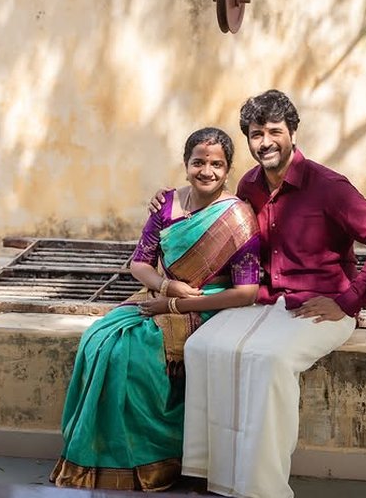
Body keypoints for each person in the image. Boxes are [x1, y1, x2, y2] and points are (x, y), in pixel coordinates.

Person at [150, 89, 366, 498]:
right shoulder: (250, 183)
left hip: (322, 307)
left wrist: (349, 301)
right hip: (265, 301)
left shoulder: (329, 187)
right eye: (255, 133)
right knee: (202, 346)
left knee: (268, 361)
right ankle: (206, 472)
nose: (265, 141)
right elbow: (209, 207)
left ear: (292, 132)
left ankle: (263, 487)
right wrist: (166, 202)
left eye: (274, 131)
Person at [50, 127, 260, 492]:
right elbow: (140, 262)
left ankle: (155, 458)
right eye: (198, 162)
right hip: (159, 293)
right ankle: (101, 457)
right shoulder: (166, 204)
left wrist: (179, 301)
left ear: (228, 171)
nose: (206, 171)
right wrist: (165, 287)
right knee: (100, 339)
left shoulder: (238, 219)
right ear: (186, 164)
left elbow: (246, 292)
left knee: (137, 350)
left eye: (216, 164)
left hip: (208, 303)